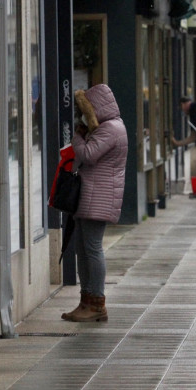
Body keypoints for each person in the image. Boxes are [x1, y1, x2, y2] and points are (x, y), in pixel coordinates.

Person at [62, 84, 128, 323]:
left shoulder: (110, 129)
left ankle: (96, 302)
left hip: (98, 197)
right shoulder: (112, 127)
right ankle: (86, 300)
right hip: (91, 195)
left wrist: (77, 136)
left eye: (84, 109)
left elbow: (88, 154)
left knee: (91, 248)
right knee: (82, 248)